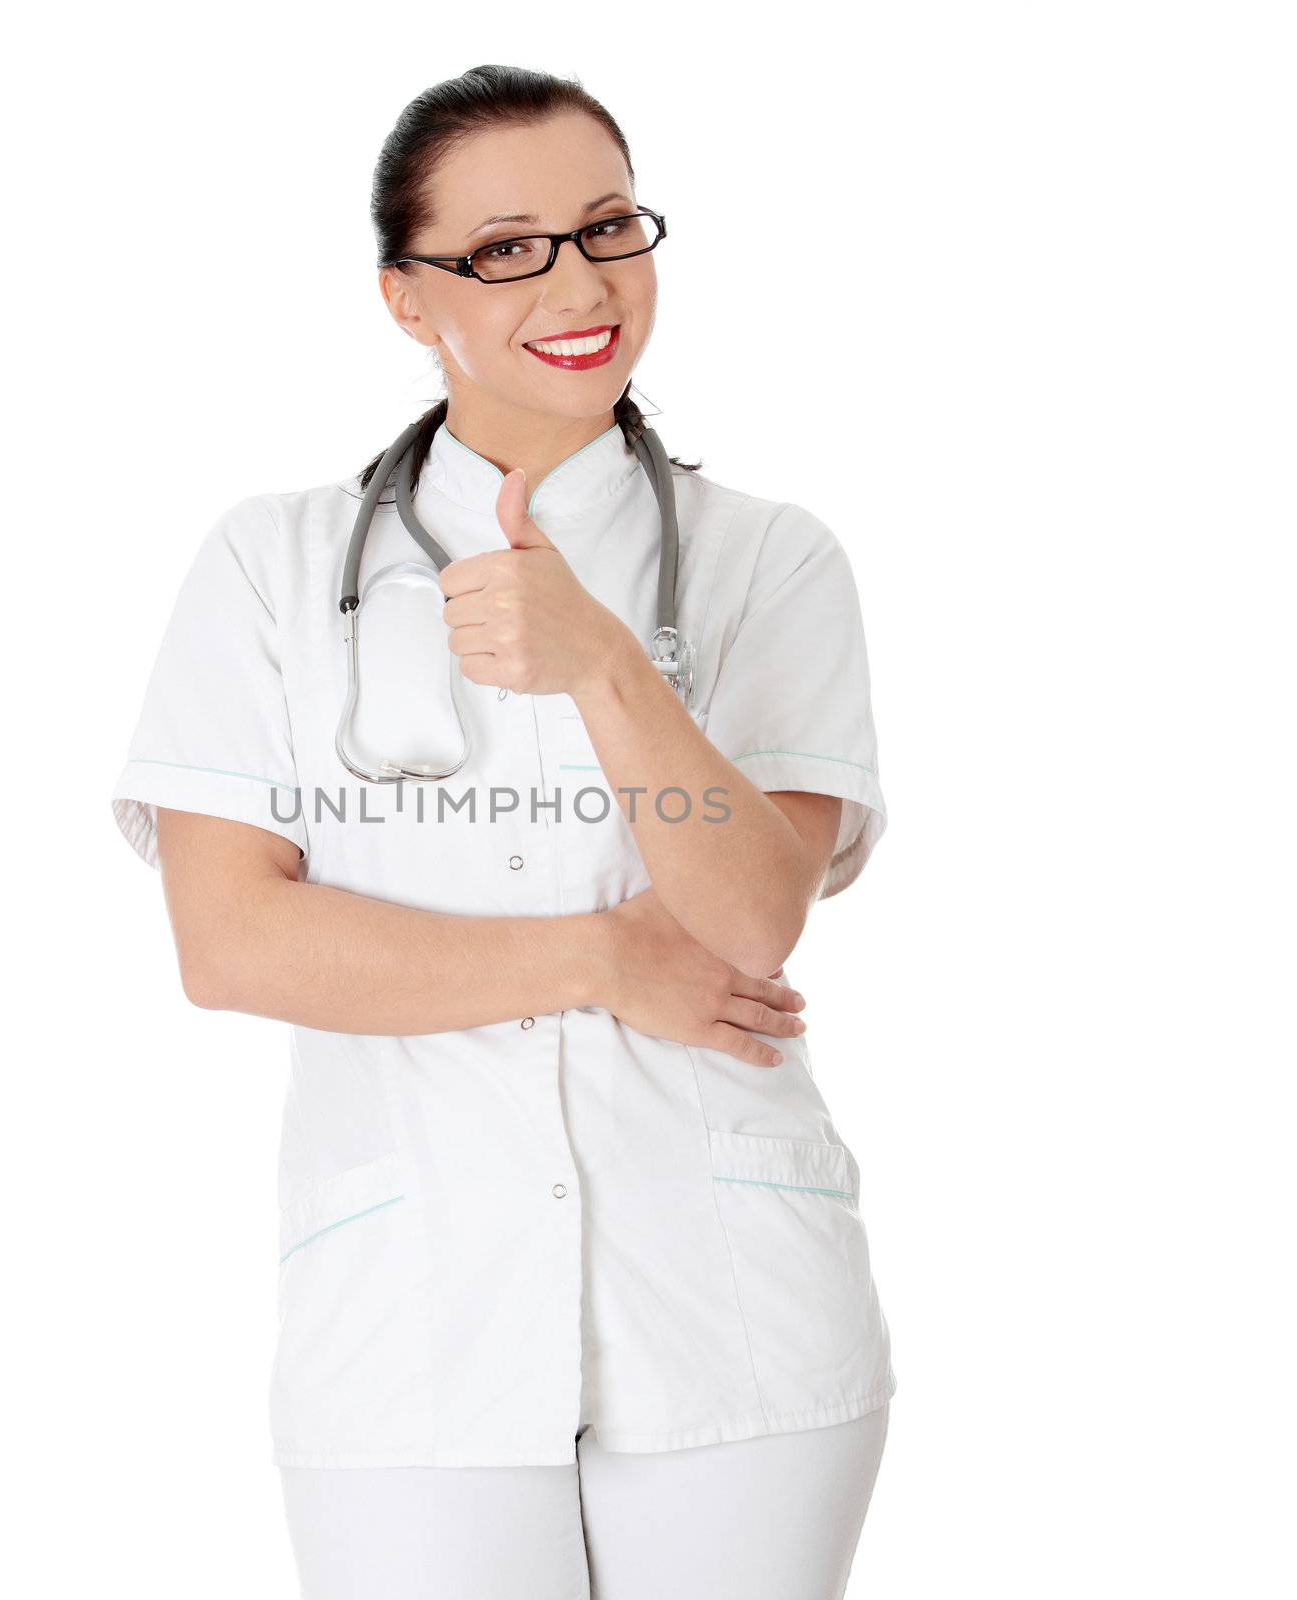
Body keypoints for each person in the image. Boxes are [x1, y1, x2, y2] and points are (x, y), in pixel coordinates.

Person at [111, 64, 895, 1600]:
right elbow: (234, 942)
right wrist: (606, 958)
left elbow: (748, 921)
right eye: (506, 249)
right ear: (410, 298)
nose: (581, 282)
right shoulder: (272, 569)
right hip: (411, 1325)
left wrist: (600, 655)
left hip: (730, 1313)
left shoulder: (767, 561)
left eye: (609, 226)